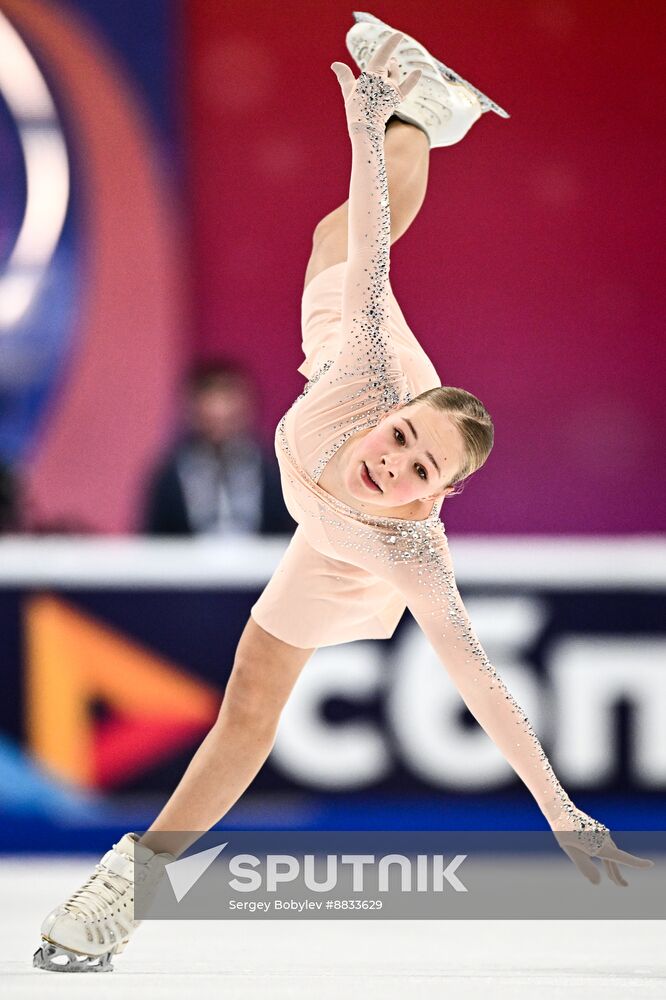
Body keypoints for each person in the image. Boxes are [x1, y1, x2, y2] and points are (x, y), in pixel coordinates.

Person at [33, 19, 652, 973]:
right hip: (336, 383)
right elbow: (371, 244)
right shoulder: (368, 368)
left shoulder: (407, 549)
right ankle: (422, 109)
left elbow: (481, 683)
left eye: (418, 473)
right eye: (405, 438)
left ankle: (132, 884)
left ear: (433, 498)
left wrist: (564, 814)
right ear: (398, 411)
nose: (395, 464)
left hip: (342, 549)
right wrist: (364, 123)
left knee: (250, 704)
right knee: (344, 240)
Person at [141, 358, 296, 536]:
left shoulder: (276, 471)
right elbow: (153, 542)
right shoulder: (168, 475)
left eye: (229, 405)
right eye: (211, 411)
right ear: (192, 411)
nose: (220, 413)